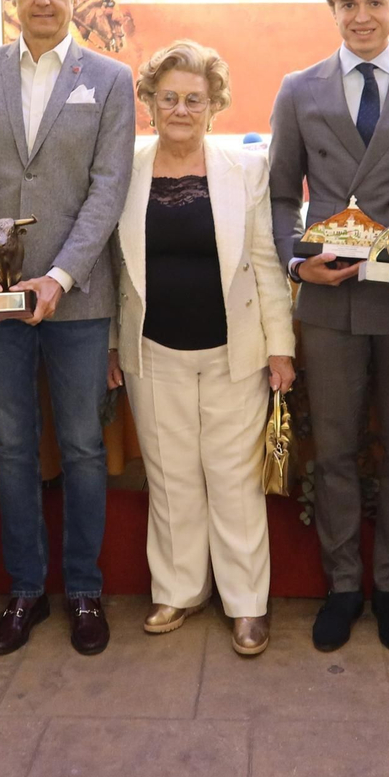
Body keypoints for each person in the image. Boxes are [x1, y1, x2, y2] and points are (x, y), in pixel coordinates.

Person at [0, 0, 136, 657]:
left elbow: (107, 191)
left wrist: (58, 277)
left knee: (85, 448)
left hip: (78, 301)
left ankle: (83, 590)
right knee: (16, 447)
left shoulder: (111, 80)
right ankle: (25, 591)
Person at [267, 0, 389, 654]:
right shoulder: (299, 89)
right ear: (333, 12)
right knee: (336, 451)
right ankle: (345, 585)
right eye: (348, 4)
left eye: (374, 3)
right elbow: (284, 193)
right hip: (329, 300)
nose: (361, 16)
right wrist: (295, 260)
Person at [107, 40, 295, 656]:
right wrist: (112, 344)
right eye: (169, 98)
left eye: (195, 98)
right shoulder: (124, 169)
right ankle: (178, 590)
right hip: (152, 352)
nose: (181, 109)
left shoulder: (246, 169)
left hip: (232, 353)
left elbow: (266, 262)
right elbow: (112, 269)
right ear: (150, 104)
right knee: (169, 476)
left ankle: (246, 605)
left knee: (234, 479)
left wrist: (280, 347)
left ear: (214, 105)